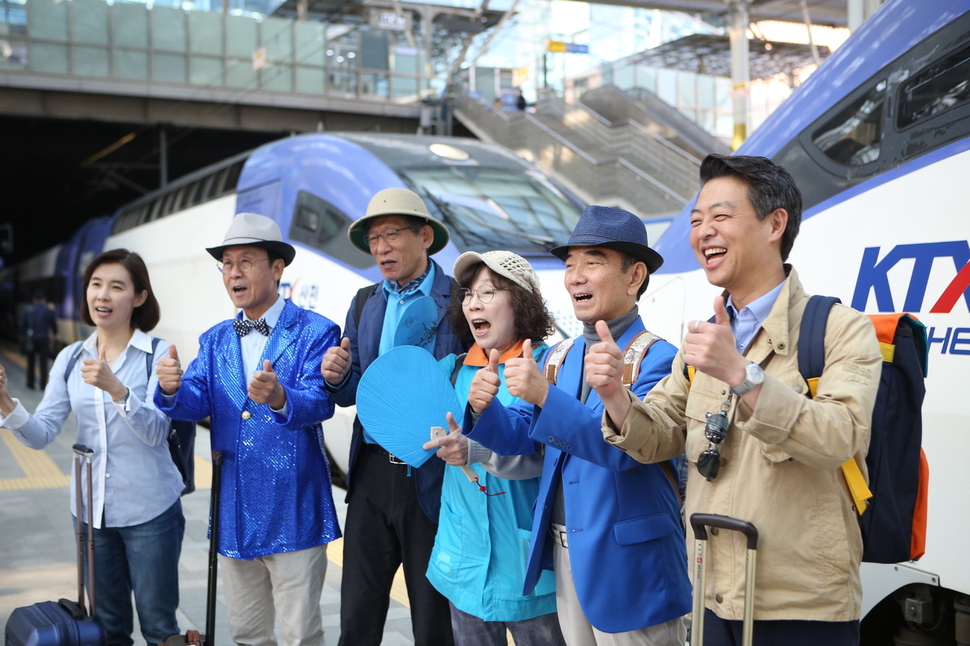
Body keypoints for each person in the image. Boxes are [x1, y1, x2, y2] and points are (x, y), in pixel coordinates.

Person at [592, 154, 882, 646]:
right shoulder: (701, 339)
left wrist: (741, 376)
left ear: (775, 223)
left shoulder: (841, 329)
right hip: (710, 594)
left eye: (721, 217)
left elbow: (839, 436)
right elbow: (663, 430)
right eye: (697, 220)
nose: (703, 232)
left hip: (803, 607)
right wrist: (616, 397)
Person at [463, 206, 692, 646]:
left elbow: (621, 449)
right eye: (570, 265)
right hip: (565, 552)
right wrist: (483, 409)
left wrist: (545, 397)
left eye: (593, 262)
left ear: (634, 275)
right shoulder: (561, 356)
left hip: (631, 562)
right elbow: (523, 437)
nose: (575, 277)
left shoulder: (659, 357)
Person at [154, 212, 340, 646]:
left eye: (246, 261)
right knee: (248, 633)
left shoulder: (315, 330)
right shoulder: (215, 338)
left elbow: (321, 402)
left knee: (300, 634)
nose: (234, 272)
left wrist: (279, 397)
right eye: (227, 263)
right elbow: (195, 398)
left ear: (277, 268)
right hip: (235, 510)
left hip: (295, 507)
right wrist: (169, 389)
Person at [1, 249, 184, 646]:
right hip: (89, 514)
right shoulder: (70, 358)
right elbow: (42, 433)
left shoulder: (158, 355)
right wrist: (5, 402)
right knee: (107, 627)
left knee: (158, 625)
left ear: (138, 297)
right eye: (95, 285)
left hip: (151, 510)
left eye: (116, 286)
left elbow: (156, 432)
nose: (102, 295)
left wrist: (114, 387)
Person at [321, 187, 462, 646]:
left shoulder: (461, 302)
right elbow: (350, 390)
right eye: (373, 238)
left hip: (436, 475)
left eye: (391, 234)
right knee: (357, 615)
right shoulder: (365, 303)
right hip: (372, 473)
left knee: (432, 617)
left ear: (424, 236)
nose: (380, 247)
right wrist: (336, 375)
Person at [422, 250, 565, 646]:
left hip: (529, 574)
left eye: (489, 292)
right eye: (468, 294)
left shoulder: (549, 366)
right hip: (462, 562)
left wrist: (474, 451)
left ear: (520, 301)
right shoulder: (451, 368)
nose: (473, 303)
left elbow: (544, 455)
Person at [19, 290, 57, 390]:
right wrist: (54, 334)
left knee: (30, 361)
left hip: (31, 339)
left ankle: (30, 383)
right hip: (43, 338)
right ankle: (43, 385)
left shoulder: (27, 309)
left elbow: (22, 325)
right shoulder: (48, 310)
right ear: (44, 299)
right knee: (43, 362)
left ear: (34, 299)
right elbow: (53, 325)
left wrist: (24, 336)